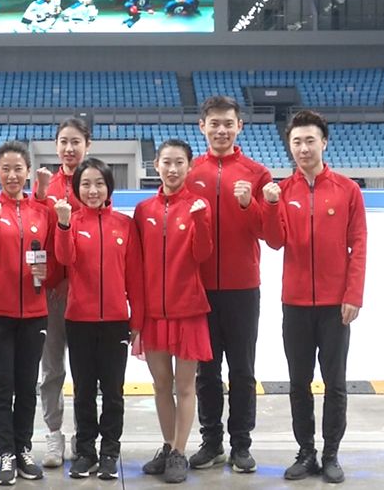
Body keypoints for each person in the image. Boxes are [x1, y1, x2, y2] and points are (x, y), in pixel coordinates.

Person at [261, 110, 367, 484]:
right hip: (295, 304)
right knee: (299, 383)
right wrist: (270, 205)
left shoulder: (347, 190)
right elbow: (275, 241)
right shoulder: (283, 191)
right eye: (297, 142)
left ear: (324, 142)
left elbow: (359, 244)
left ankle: (331, 453)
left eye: (310, 140)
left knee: (335, 383)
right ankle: (306, 452)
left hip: (335, 305)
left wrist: (353, 294)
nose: (304, 148)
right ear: (289, 147)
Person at [186, 95, 272, 474]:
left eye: (228, 123)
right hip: (200, 288)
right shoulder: (190, 172)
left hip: (242, 288)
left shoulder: (257, 174)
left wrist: (249, 205)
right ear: (202, 126)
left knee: (242, 369)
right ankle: (211, 442)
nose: (221, 130)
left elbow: (269, 232)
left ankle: (241, 444)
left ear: (240, 126)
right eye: (214, 123)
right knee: (206, 371)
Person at [54, 158, 143, 481]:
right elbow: (64, 258)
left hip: (116, 321)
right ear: (77, 189)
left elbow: (135, 277)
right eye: (86, 184)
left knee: (113, 391)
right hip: (79, 320)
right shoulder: (72, 223)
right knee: (84, 391)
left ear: (109, 187)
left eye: (99, 184)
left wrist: (137, 321)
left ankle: (109, 452)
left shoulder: (124, 225)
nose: (93, 191)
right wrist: (64, 226)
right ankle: (86, 451)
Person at [0, 141, 56, 486]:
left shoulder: (41, 211)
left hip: (35, 313)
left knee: (26, 386)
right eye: (5, 169)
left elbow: (54, 257)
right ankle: (6, 453)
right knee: (2, 386)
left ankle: (24, 449)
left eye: (18, 169)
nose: (12, 175)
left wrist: (46, 273)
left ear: (27, 172)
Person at [133, 139, 213, 484]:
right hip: (154, 312)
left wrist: (201, 221)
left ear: (189, 166)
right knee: (161, 385)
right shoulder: (144, 210)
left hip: (188, 311)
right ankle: (168, 445)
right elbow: (136, 265)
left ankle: (180, 451)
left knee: (185, 386)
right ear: (156, 165)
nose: (173, 169)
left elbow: (203, 254)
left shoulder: (198, 205)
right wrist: (137, 315)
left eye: (179, 162)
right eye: (166, 162)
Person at [31, 117, 91, 468]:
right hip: (52, 293)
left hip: (86, 293)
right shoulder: (47, 187)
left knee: (85, 371)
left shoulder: (94, 184)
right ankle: (54, 433)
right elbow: (35, 233)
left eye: (76, 142)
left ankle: (85, 435)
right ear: (56, 146)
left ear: (87, 145)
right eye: (63, 142)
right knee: (51, 368)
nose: (69, 149)